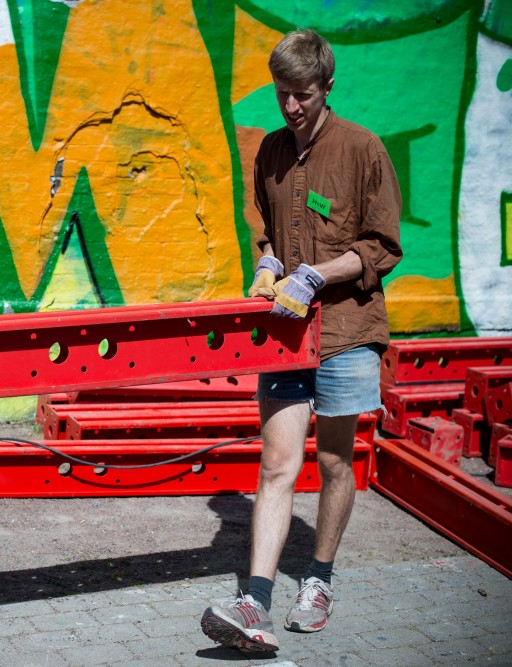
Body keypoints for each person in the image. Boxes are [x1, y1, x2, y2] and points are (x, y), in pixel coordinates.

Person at [200, 29, 402, 653]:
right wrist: (267, 262)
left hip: (347, 332)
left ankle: (319, 579)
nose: (290, 106)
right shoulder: (270, 150)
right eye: (282, 93)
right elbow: (264, 226)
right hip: (286, 334)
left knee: (336, 461)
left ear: (327, 87)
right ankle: (255, 598)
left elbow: (382, 247)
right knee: (277, 464)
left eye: (303, 95)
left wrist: (317, 274)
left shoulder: (363, 149)